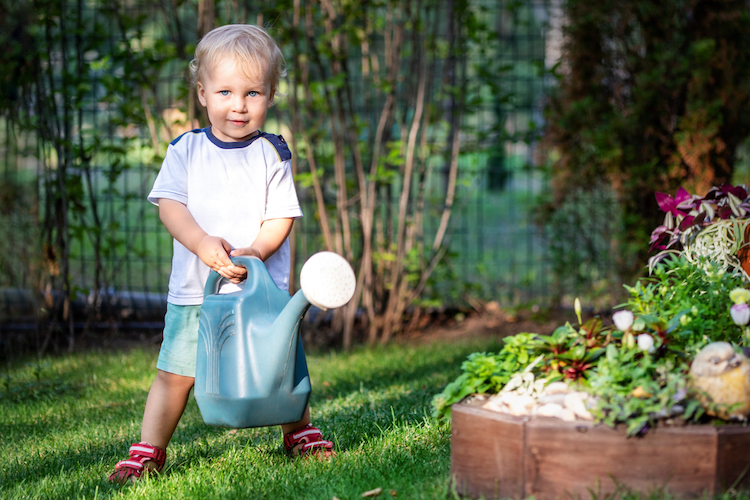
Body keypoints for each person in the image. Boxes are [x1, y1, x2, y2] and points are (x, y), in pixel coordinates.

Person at [109, 24, 333, 484]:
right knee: (176, 372)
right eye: (226, 91)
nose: (239, 104)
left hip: (260, 295)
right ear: (202, 93)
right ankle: (149, 448)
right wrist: (200, 242)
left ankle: (299, 430)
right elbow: (171, 207)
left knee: (279, 362)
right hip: (197, 292)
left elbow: (281, 217)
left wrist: (256, 251)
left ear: (271, 95)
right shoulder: (186, 150)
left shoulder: (272, 155)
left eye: (253, 93)